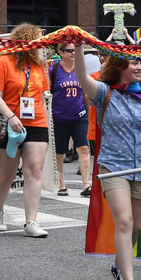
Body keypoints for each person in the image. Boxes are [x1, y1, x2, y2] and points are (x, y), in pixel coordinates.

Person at [70, 47, 141, 280]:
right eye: (132, 63)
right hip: (113, 166)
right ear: (119, 67)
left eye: (140, 63)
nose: (138, 67)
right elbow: (83, 79)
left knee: (135, 226)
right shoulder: (105, 93)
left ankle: (118, 265)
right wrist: (80, 47)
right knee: (124, 221)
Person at [0, 24, 51, 237]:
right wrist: (11, 117)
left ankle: (30, 222)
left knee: (34, 169)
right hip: (9, 123)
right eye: (37, 43)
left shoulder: (40, 66)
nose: (40, 47)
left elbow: (43, 94)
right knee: (7, 173)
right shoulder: (3, 62)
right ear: (26, 42)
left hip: (36, 122)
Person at [50, 43, 92, 197]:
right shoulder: (53, 70)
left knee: (84, 148)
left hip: (79, 116)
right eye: (69, 51)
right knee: (60, 153)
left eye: (75, 50)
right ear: (61, 52)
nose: (73, 53)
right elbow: (48, 93)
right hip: (59, 117)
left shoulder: (80, 70)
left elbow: (86, 91)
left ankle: (86, 185)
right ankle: (61, 184)